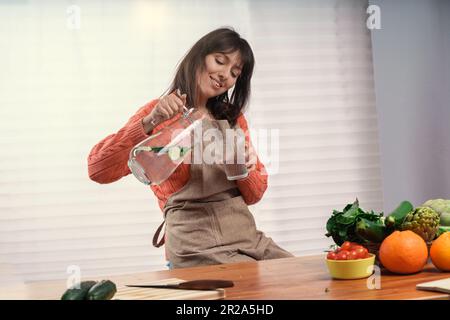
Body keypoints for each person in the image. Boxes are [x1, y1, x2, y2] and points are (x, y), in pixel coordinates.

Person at [87, 27, 293, 269]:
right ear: (199, 56)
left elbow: (254, 195)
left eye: (235, 73)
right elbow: (97, 169)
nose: (225, 74)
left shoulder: (232, 119)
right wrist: (149, 122)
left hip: (247, 239)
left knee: (301, 279)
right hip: (195, 247)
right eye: (220, 61)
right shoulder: (158, 113)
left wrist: (246, 169)